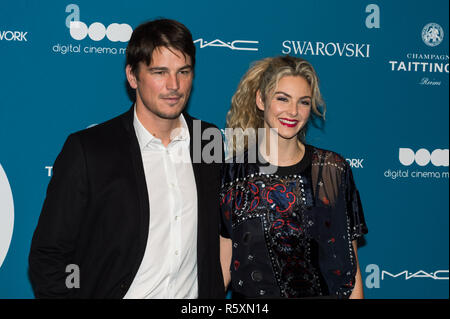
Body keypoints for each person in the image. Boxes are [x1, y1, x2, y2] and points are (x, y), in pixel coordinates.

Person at [29, 19, 225, 299]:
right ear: (133, 76)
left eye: (184, 71)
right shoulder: (88, 149)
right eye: (160, 72)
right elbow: (49, 255)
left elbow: (218, 236)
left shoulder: (208, 139)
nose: (174, 85)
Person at [219, 56, 368, 299]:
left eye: (303, 102)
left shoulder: (331, 170)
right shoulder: (232, 175)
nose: (293, 111)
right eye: (282, 99)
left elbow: (350, 271)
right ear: (260, 99)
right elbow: (223, 265)